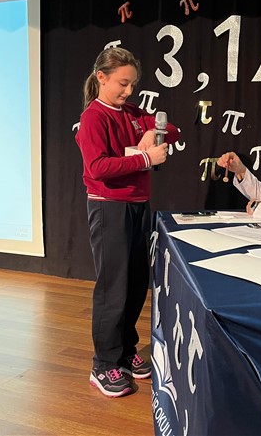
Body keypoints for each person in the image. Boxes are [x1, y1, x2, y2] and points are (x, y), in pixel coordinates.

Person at [75, 47, 180, 398]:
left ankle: (124, 351)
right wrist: (145, 159)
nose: (129, 91)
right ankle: (103, 364)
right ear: (101, 77)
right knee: (113, 288)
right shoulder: (94, 117)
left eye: (133, 84)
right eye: (122, 83)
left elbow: (172, 129)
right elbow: (97, 168)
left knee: (135, 284)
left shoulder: (133, 113)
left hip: (137, 206)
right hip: (109, 209)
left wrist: (154, 133)